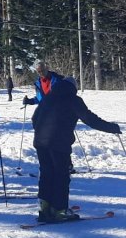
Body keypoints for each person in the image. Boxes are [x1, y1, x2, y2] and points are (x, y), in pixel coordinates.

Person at [32, 77, 120, 222]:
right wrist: (111, 128)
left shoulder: (48, 98)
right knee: (61, 175)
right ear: (73, 88)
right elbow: (90, 119)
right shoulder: (73, 100)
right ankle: (60, 210)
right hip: (59, 144)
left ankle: (44, 208)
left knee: (47, 173)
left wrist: (42, 132)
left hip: (40, 142)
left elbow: (35, 118)